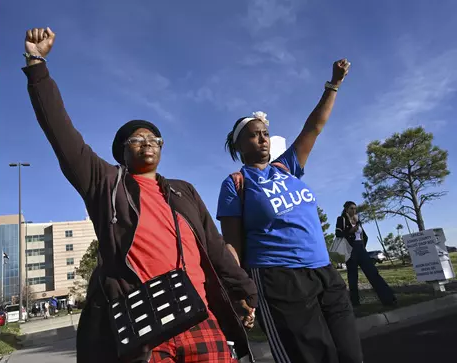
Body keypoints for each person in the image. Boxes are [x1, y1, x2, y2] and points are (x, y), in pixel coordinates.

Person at [23, 27, 257, 363]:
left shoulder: (183, 190)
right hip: (143, 327)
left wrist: (243, 289)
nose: (147, 141)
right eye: (137, 139)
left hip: (199, 316)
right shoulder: (106, 184)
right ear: (121, 151)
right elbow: (61, 133)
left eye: (154, 139)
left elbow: (214, 246)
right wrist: (37, 65)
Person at [217, 60, 363, 363]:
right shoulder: (236, 183)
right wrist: (239, 288)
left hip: (323, 271)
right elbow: (231, 243)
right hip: (278, 279)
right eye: (254, 134)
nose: (263, 137)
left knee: (350, 354)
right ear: (239, 145)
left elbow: (314, 126)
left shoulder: (287, 167)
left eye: (265, 133)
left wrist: (333, 84)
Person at [336, 201, 397, 307]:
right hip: (350, 250)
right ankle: (355, 303)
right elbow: (338, 233)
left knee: (373, 273)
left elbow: (364, 236)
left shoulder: (358, 220)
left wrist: (362, 246)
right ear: (346, 209)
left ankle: (389, 299)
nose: (354, 210)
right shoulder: (341, 219)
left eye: (355, 208)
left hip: (361, 249)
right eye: (351, 208)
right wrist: (350, 231)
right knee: (353, 277)